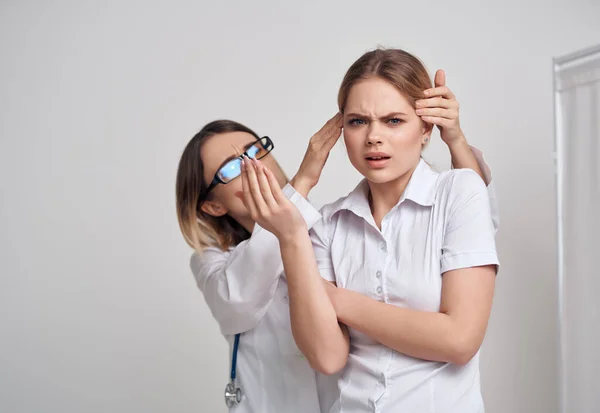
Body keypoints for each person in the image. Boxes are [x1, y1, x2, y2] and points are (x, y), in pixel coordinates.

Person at [237, 48, 499, 413]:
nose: (373, 137)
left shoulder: (460, 194)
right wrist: (292, 238)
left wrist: (336, 299)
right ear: (341, 129)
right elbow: (327, 357)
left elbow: (459, 340)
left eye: (393, 120)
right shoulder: (327, 225)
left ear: (426, 128)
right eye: (358, 121)